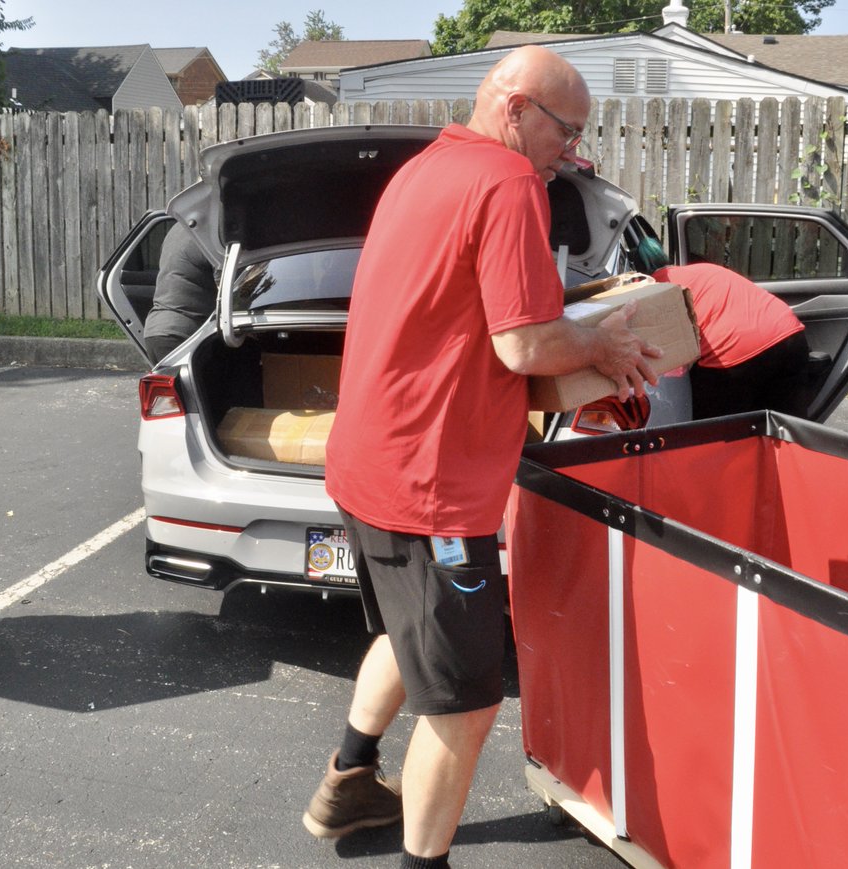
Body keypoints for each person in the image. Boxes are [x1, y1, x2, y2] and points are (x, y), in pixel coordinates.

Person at [301, 46, 661, 868]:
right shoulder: (506, 183)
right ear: (515, 109)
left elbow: (470, 333)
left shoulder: (426, 168)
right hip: (430, 485)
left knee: (407, 630)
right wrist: (602, 347)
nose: (569, 152)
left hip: (370, 462)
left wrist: (566, 364)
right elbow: (524, 339)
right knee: (465, 707)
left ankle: (350, 779)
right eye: (565, 131)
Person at [631, 239, 810, 418]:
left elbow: (669, 357)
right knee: (788, 428)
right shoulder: (701, 269)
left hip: (735, 352)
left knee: (711, 431)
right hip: (790, 333)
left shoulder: (653, 291)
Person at [143, 221, 217, 364]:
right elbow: (228, 289)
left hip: (155, 330)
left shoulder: (178, 228)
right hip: (184, 334)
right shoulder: (208, 232)